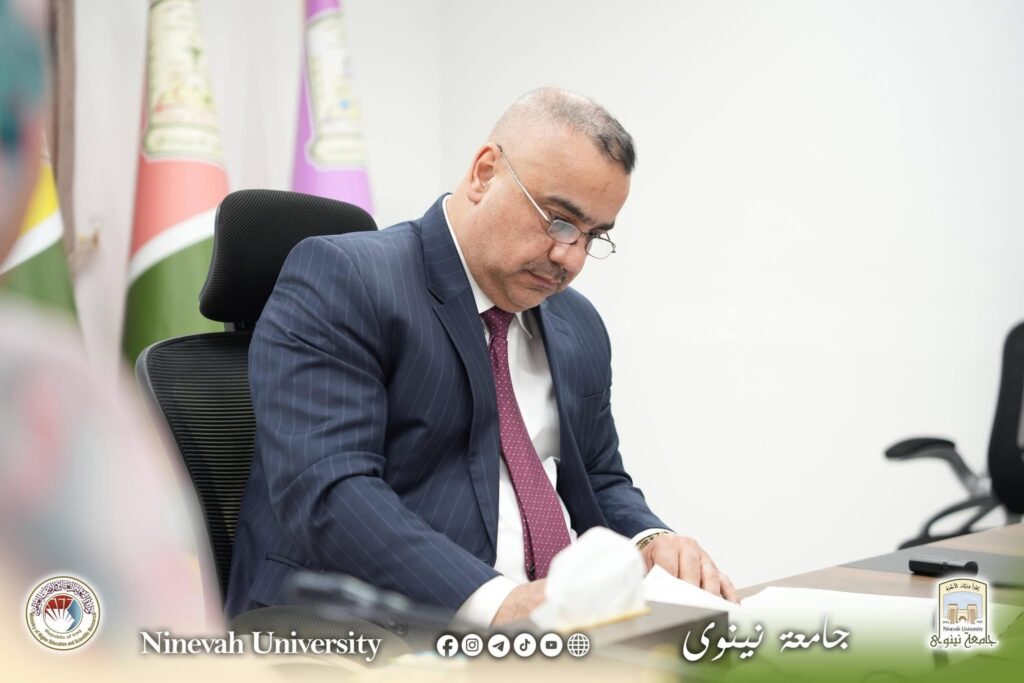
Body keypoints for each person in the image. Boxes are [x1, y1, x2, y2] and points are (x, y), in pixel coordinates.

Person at [227, 88, 737, 627]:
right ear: (484, 172)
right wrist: (498, 603)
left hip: (556, 630)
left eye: (592, 237)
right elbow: (330, 490)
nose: (570, 258)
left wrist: (651, 539)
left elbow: (599, 476)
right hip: (368, 628)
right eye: (559, 220)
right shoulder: (347, 279)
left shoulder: (577, 323)